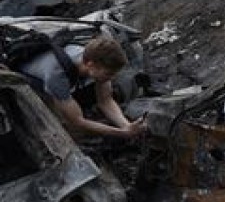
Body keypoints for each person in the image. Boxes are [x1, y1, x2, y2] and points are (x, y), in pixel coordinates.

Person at [17, 35, 146, 140]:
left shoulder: (93, 59)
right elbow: (77, 121)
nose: (112, 78)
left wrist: (127, 126)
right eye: (109, 74)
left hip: (59, 78)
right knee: (70, 131)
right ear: (90, 65)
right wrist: (122, 133)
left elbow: (105, 101)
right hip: (28, 84)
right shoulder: (57, 76)